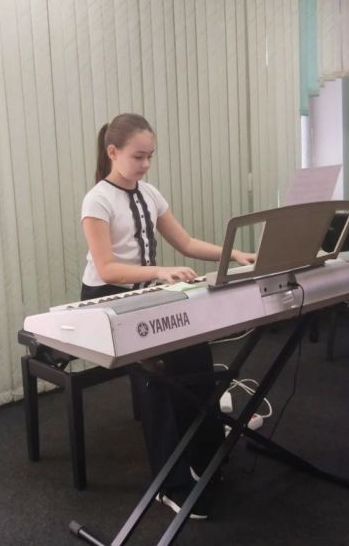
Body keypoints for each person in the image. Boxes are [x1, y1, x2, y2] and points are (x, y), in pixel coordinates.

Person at [81, 113, 255, 519]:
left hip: (145, 289)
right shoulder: (97, 200)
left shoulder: (150, 194)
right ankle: (170, 484)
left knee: (196, 356)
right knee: (155, 377)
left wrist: (234, 254)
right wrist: (161, 272)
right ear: (113, 152)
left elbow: (187, 242)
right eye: (138, 156)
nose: (145, 164)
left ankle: (207, 457)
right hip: (105, 297)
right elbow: (107, 269)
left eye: (150, 156)